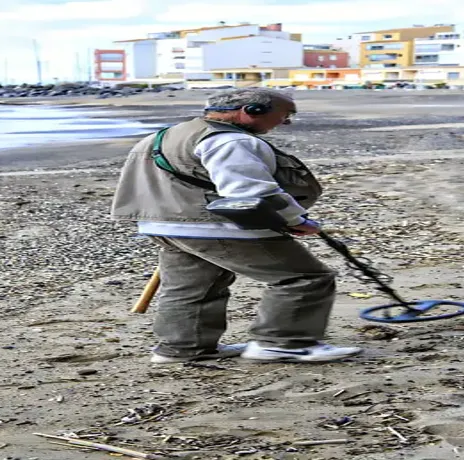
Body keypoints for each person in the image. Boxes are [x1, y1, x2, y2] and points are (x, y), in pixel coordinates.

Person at [111, 87, 362, 364]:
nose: (286, 122)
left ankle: (183, 348)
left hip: (162, 225)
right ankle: (283, 343)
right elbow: (250, 191)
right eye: (285, 115)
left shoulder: (164, 135)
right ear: (251, 111)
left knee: (192, 287)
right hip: (214, 226)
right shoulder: (229, 141)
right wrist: (295, 220)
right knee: (304, 278)